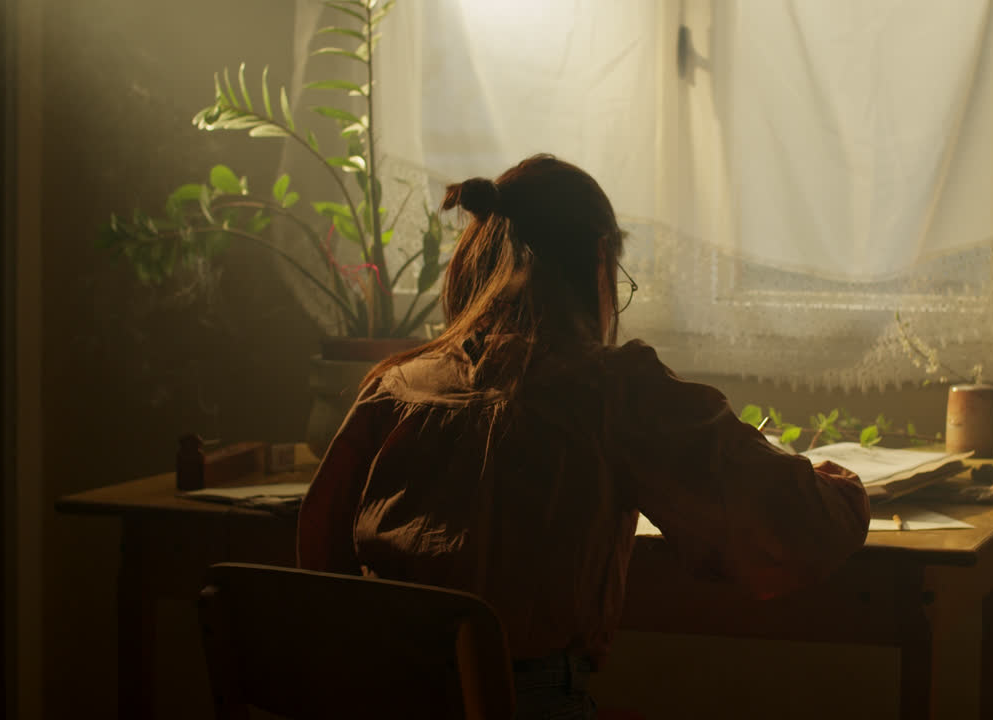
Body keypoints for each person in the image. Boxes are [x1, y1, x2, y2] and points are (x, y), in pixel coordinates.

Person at [297, 154, 870, 719]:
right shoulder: (611, 390)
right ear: (599, 260)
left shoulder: (394, 386)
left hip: (373, 698)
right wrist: (838, 485)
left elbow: (320, 559)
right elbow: (795, 526)